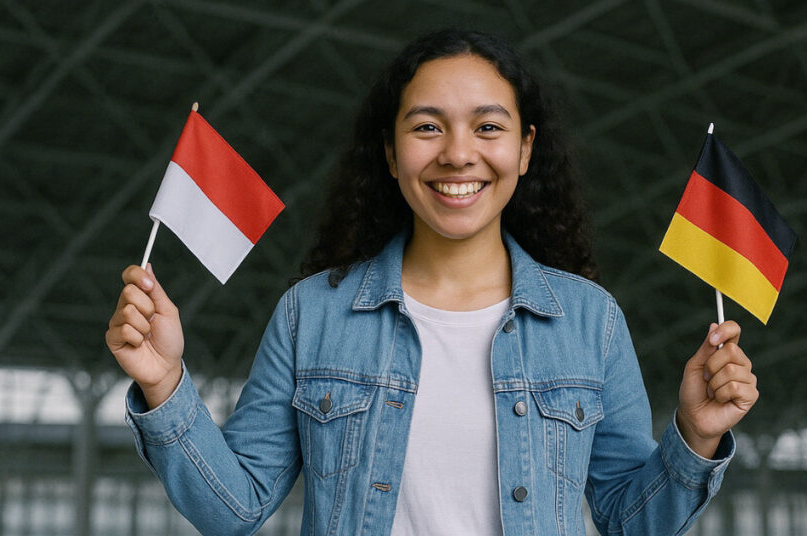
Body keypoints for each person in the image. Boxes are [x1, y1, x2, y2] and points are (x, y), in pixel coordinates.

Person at [106, 28, 758, 536]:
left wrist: (695, 436)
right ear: (390, 153)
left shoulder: (590, 320)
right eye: (426, 126)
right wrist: (164, 384)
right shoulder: (313, 315)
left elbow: (630, 520)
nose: (456, 153)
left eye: (488, 126)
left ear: (524, 150)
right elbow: (235, 509)